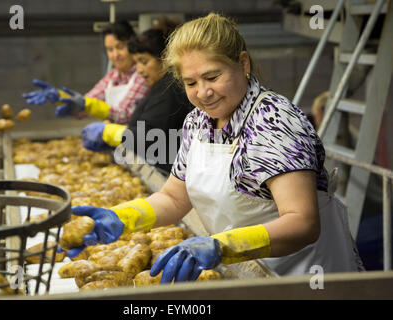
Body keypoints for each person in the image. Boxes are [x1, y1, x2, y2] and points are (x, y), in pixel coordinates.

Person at [62, 13, 364, 282]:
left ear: (242, 63)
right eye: (190, 82)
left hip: (304, 279)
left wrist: (221, 246)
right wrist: (121, 218)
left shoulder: (273, 122)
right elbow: (173, 198)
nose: (203, 92)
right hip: (248, 273)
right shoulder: (199, 122)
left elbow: (303, 223)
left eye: (212, 77)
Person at [81, 20, 193, 175]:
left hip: (168, 172)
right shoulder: (159, 87)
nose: (139, 70)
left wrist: (110, 133)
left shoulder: (170, 90)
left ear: (165, 58)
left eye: (144, 62)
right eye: (137, 62)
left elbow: (148, 136)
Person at [22, 21, 150, 124]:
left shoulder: (142, 76)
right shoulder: (112, 76)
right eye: (110, 49)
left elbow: (124, 115)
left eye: (120, 47)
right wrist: (62, 98)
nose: (115, 55)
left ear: (132, 45)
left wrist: (86, 105)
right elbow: (87, 102)